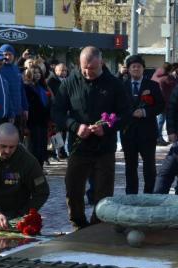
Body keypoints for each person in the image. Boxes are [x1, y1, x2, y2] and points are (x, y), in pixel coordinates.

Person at [52, 46, 130, 230]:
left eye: (92, 69)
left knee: (103, 192)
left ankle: (97, 226)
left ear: (101, 63)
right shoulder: (70, 82)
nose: (87, 72)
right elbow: (57, 112)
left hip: (104, 148)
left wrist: (108, 128)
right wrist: (75, 126)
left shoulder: (114, 84)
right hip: (79, 146)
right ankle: (78, 224)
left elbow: (126, 114)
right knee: (73, 188)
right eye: (84, 68)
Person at [121, 55, 164, 194]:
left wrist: (145, 112)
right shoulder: (121, 86)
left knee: (149, 166)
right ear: (128, 69)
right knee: (130, 166)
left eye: (139, 66)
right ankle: (131, 194)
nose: (136, 69)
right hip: (128, 132)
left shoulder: (152, 85)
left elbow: (161, 106)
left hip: (147, 132)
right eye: (133, 66)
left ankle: (149, 193)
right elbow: (116, 107)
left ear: (143, 69)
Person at [23, 65, 51, 167]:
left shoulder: (43, 86)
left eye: (39, 72)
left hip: (43, 121)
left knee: (42, 147)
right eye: (34, 73)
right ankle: (32, 170)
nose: (37, 75)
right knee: (32, 147)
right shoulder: (26, 87)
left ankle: (40, 168)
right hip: (32, 121)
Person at [0, 44, 29, 122]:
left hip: (18, 112)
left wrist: (25, 108)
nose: (8, 57)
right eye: (5, 54)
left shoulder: (16, 68)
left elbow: (21, 90)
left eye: (10, 54)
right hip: (4, 113)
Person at [151, 62, 177, 146]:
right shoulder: (167, 78)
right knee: (161, 121)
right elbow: (176, 86)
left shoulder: (155, 75)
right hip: (165, 102)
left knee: (157, 121)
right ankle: (158, 138)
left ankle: (156, 137)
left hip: (154, 101)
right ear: (169, 70)